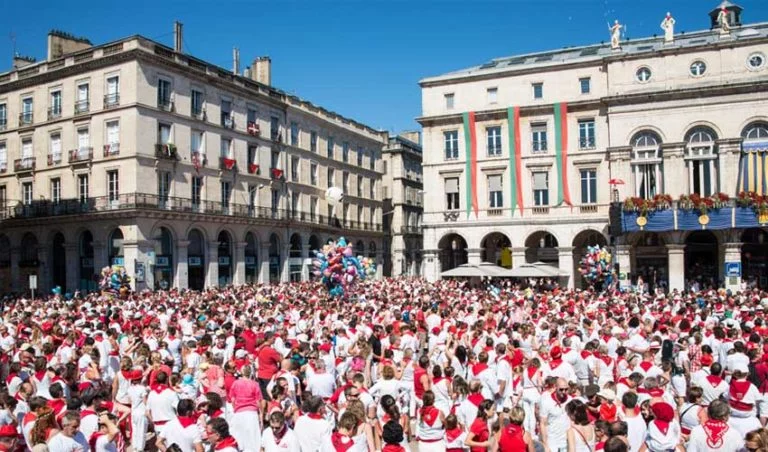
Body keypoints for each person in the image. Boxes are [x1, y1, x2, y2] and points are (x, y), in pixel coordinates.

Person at [228, 364, 263, 452]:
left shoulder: (236, 383)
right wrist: (261, 415)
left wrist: (235, 408)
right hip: (252, 413)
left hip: (239, 412)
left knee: (240, 438)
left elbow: (232, 399)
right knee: (253, 439)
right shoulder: (255, 384)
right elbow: (258, 402)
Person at [540, 378, 572, 452]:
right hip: (552, 441)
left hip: (566, 441)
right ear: (555, 387)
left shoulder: (570, 400)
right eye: (561, 389)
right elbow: (543, 423)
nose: (564, 392)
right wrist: (545, 444)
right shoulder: (547, 401)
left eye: (566, 389)